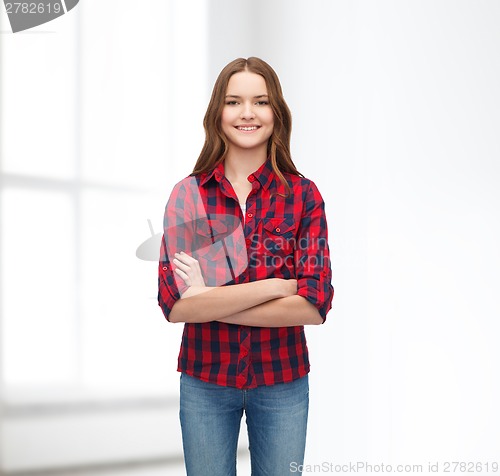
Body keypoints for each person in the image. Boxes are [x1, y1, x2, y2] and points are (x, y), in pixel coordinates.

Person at [158, 57, 334, 475]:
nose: (248, 113)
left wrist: (209, 299)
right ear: (218, 113)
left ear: (277, 113)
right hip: (205, 382)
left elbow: (314, 306)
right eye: (235, 101)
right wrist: (277, 285)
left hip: (282, 381)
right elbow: (175, 306)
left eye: (261, 101)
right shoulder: (189, 196)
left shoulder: (303, 196)